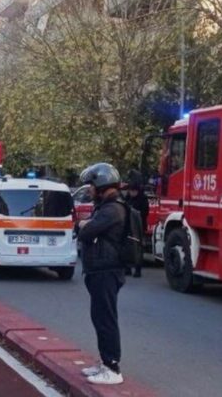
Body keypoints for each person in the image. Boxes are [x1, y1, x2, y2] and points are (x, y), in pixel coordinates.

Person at [77, 163, 127, 385]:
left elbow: (87, 232)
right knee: (99, 318)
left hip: (107, 270)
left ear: (100, 184)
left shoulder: (112, 210)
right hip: (99, 270)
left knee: (106, 319)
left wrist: (84, 225)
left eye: (90, 185)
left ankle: (112, 368)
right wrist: (85, 224)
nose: (89, 190)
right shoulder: (106, 207)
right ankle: (104, 362)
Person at [124, 170, 148, 278]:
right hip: (127, 225)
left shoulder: (142, 199)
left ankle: (138, 268)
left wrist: (134, 212)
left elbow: (145, 212)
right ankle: (127, 267)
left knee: (138, 247)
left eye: (133, 191)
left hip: (138, 226)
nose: (131, 193)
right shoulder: (128, 198)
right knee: (126, 247)